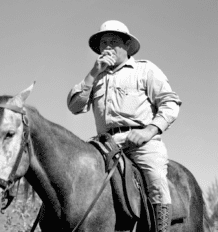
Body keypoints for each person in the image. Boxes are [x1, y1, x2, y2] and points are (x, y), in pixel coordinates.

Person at [67, 20, 181, 232]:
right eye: (103, 43)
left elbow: (170, 103)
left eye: (113, 41)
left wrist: (149, 131)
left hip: (141, 143)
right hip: (105, 144)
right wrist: (92, 73)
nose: (107, 47)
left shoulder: (145, 70)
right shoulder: (96, 76)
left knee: (155, 178)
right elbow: (74, 107)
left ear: (127, 45)